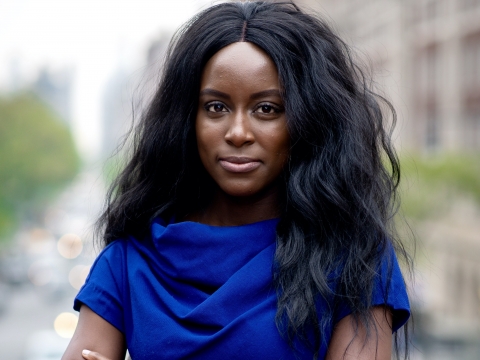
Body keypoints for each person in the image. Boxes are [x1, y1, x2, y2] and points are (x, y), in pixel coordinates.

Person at [62, 2, 411, 359]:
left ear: (308, 122)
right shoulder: (128, 260)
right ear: (187, 119)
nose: (239, 132)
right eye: (216, 107)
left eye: (267, 109)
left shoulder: (355, 258)